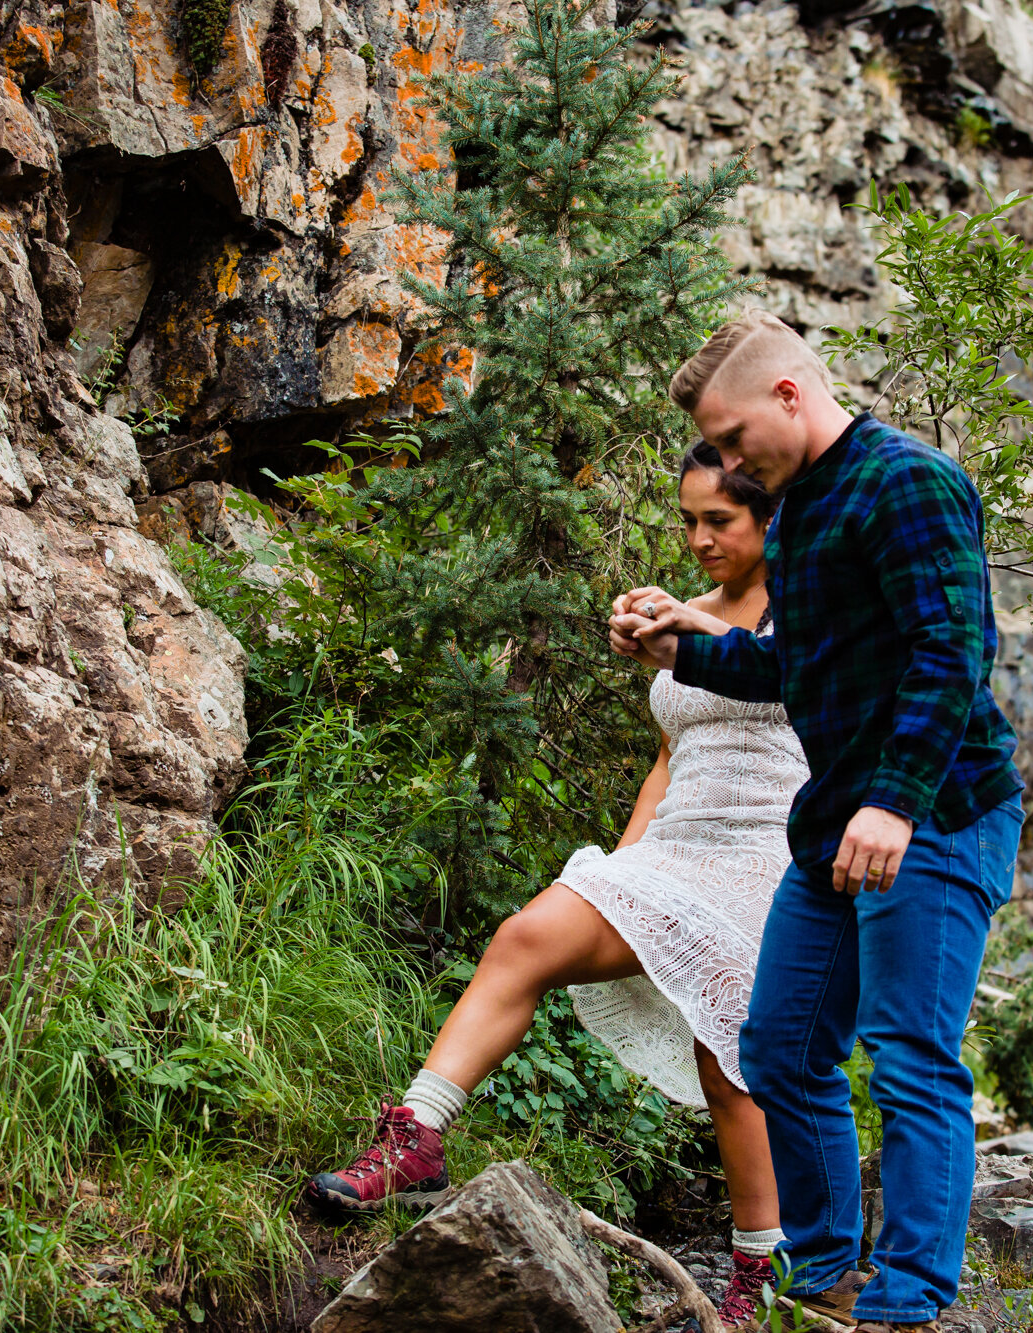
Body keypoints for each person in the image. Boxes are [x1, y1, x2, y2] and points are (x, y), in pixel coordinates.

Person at [307, 443, 811, 1329]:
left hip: (769, 855)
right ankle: (414, 1141)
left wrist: (685, 634)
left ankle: (758, 1273)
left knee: (727, 1060)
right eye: (687, 519)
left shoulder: (817, 604)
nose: (697, 539)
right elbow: (669, 760)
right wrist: (624, 870)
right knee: (524, 937)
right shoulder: (691, 613)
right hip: (678, 842)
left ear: (771, 516)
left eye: (718, 520)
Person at [610, 310, 1025, 1333]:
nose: (729, 460)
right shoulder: (796, 510)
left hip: (935, 815)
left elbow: (949, 653)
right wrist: (679, 649)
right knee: (781, 1049)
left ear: (788, 395)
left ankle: (908, 1302)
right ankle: (825, 1277)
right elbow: (792, 667)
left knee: (909, 1051)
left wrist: (893, 803)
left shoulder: (908, 481)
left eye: (734, 436)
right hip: (835, 820)